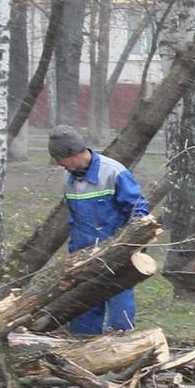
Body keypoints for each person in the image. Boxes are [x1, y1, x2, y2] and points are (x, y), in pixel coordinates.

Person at [48, 125, 150, 333]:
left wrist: (133, 245)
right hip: (85, 256)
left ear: (72, 153)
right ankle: (84, 346)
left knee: (119, 307)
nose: (59, 165)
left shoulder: (113, 172)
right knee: (83, 309)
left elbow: (138, 210)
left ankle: (123, 344)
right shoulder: (71, 181)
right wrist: (74, 254)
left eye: (60, 159)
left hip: (117, 254)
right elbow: (75, 221)